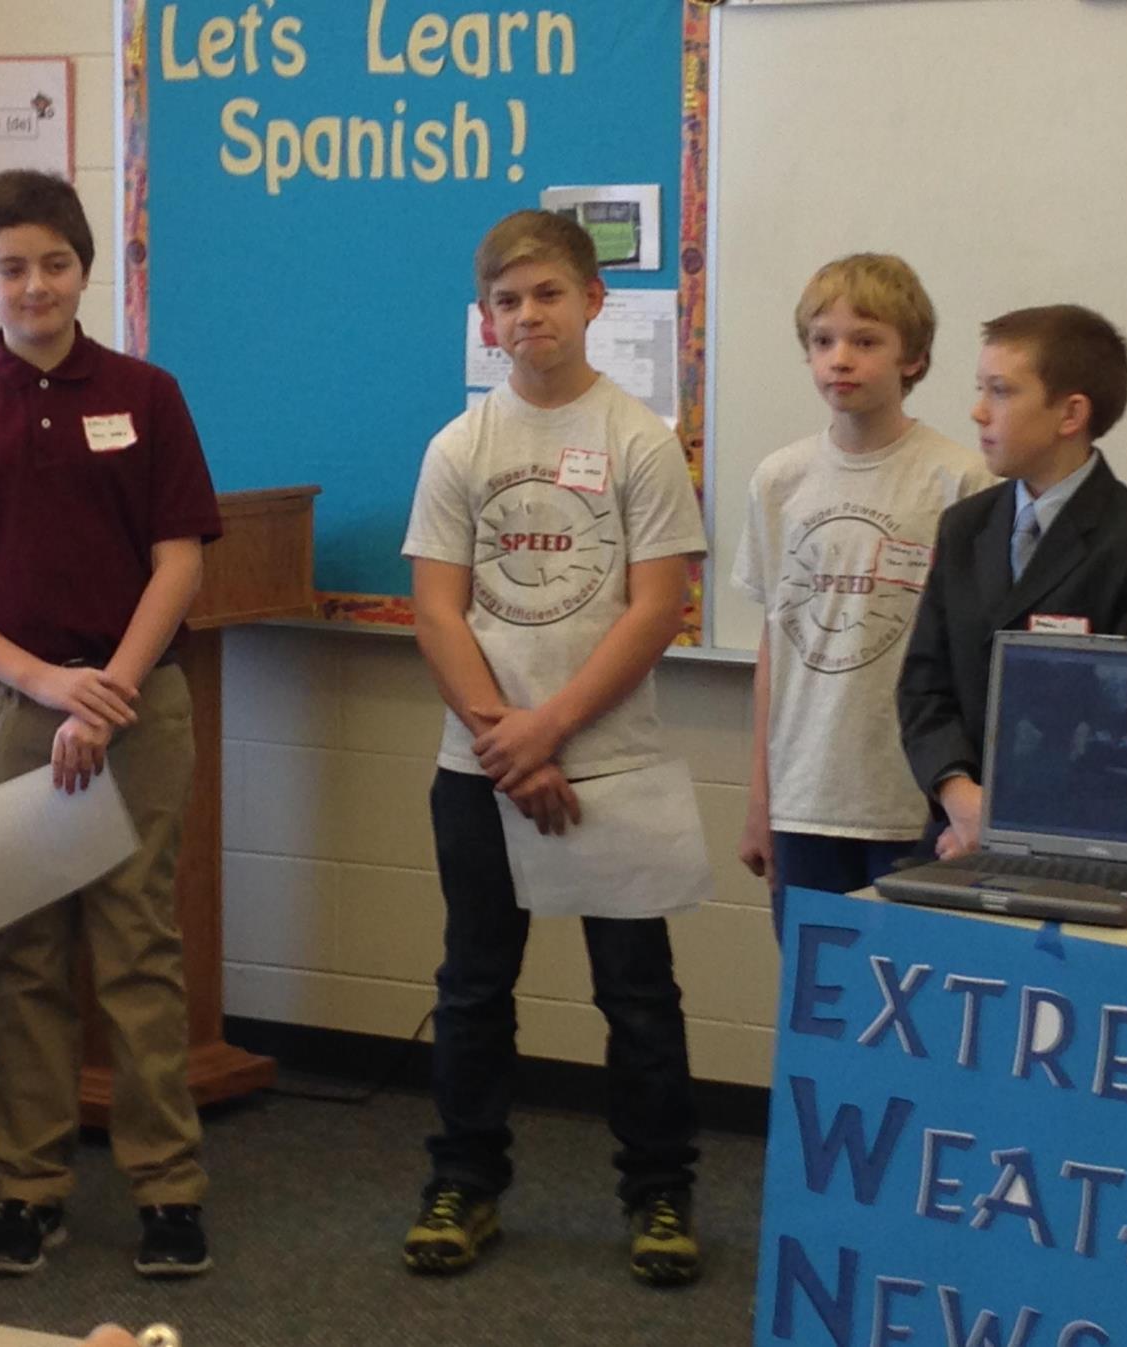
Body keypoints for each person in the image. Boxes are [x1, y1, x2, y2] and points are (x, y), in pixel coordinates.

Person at [0, 169, 220, 1278]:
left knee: (138, 951)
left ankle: (167, 1191)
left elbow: (179, 559)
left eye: (56, 264)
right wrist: (42, 682)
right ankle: (28, 1191)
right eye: (11, 268)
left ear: (86, 270)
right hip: (6, 710)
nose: (34, 285)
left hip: (136, 706)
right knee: (26, 959)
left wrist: (107, 689)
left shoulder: (147, 394)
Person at [399, 209, 707, 1286]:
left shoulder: (639, 439)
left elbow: (656, 607)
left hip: (609, 763)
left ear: (592, 302)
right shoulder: (461, 446)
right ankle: (463, 1182)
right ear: (485, 320)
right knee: (474, 986)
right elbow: (437, 611)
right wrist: (507, 742)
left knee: (637, 994)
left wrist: (550, 730)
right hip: (479, 769)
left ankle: (660, 1193)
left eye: (547, 294)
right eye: (507, 300)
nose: (528, 315)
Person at [731, 253, 993, 938]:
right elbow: (774, 646)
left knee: (914, 983)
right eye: (823, 341)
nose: (840, 359)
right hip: (803, 800)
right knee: (816, 988)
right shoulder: (779, 480)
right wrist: (760, 799)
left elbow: (975, 663)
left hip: (914, 803)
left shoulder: (959, 480)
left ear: (914, 357)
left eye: (866, 341)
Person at [899, 304, 1127, 859]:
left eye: (1001, 392)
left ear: (1070, 414)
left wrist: (1005, 827)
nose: (978, 412)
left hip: (1081, 846)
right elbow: (923, 687)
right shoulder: (965, 527)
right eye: (980, 389)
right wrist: (961, 799)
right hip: (954, 835)